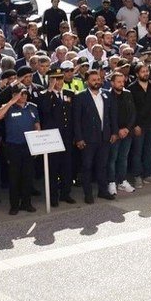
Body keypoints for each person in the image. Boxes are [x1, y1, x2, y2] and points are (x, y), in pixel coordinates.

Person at [73, 68, 118, 203]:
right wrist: (79, 138)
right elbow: (76, 120)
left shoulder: (107, 95)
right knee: (87, 166)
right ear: (87, 81)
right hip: (87, 139)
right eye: (93, 80)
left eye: (98, 79)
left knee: (102, 165)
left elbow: (112, 116)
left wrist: (114, 132)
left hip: (104, 137)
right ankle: (88, 194)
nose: (97, 82)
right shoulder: (80, 97)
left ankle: (102, 191)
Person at [0, 87, 39, 214]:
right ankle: (14, 205)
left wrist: (37, 143)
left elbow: (37, 125)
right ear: (14, 95)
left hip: (28, 146)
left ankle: (26, 203)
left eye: (25, 93)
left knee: (28, 176)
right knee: (14, 177)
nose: (24, 96)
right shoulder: (8, 107)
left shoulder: (32, 107)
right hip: (13, 146)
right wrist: (10, 102)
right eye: (20, 94)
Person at [37, 66, 75, 206]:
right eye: (55, 79)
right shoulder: (43, 94)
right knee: (53, 169)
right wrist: (49, 90)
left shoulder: (69, 93)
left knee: (67, 167)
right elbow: (45, 110)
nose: (59, 82)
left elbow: (73, 116)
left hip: (66, 136)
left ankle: (66, 193)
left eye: (60, 78)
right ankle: (53, 197)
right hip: (52, 137)